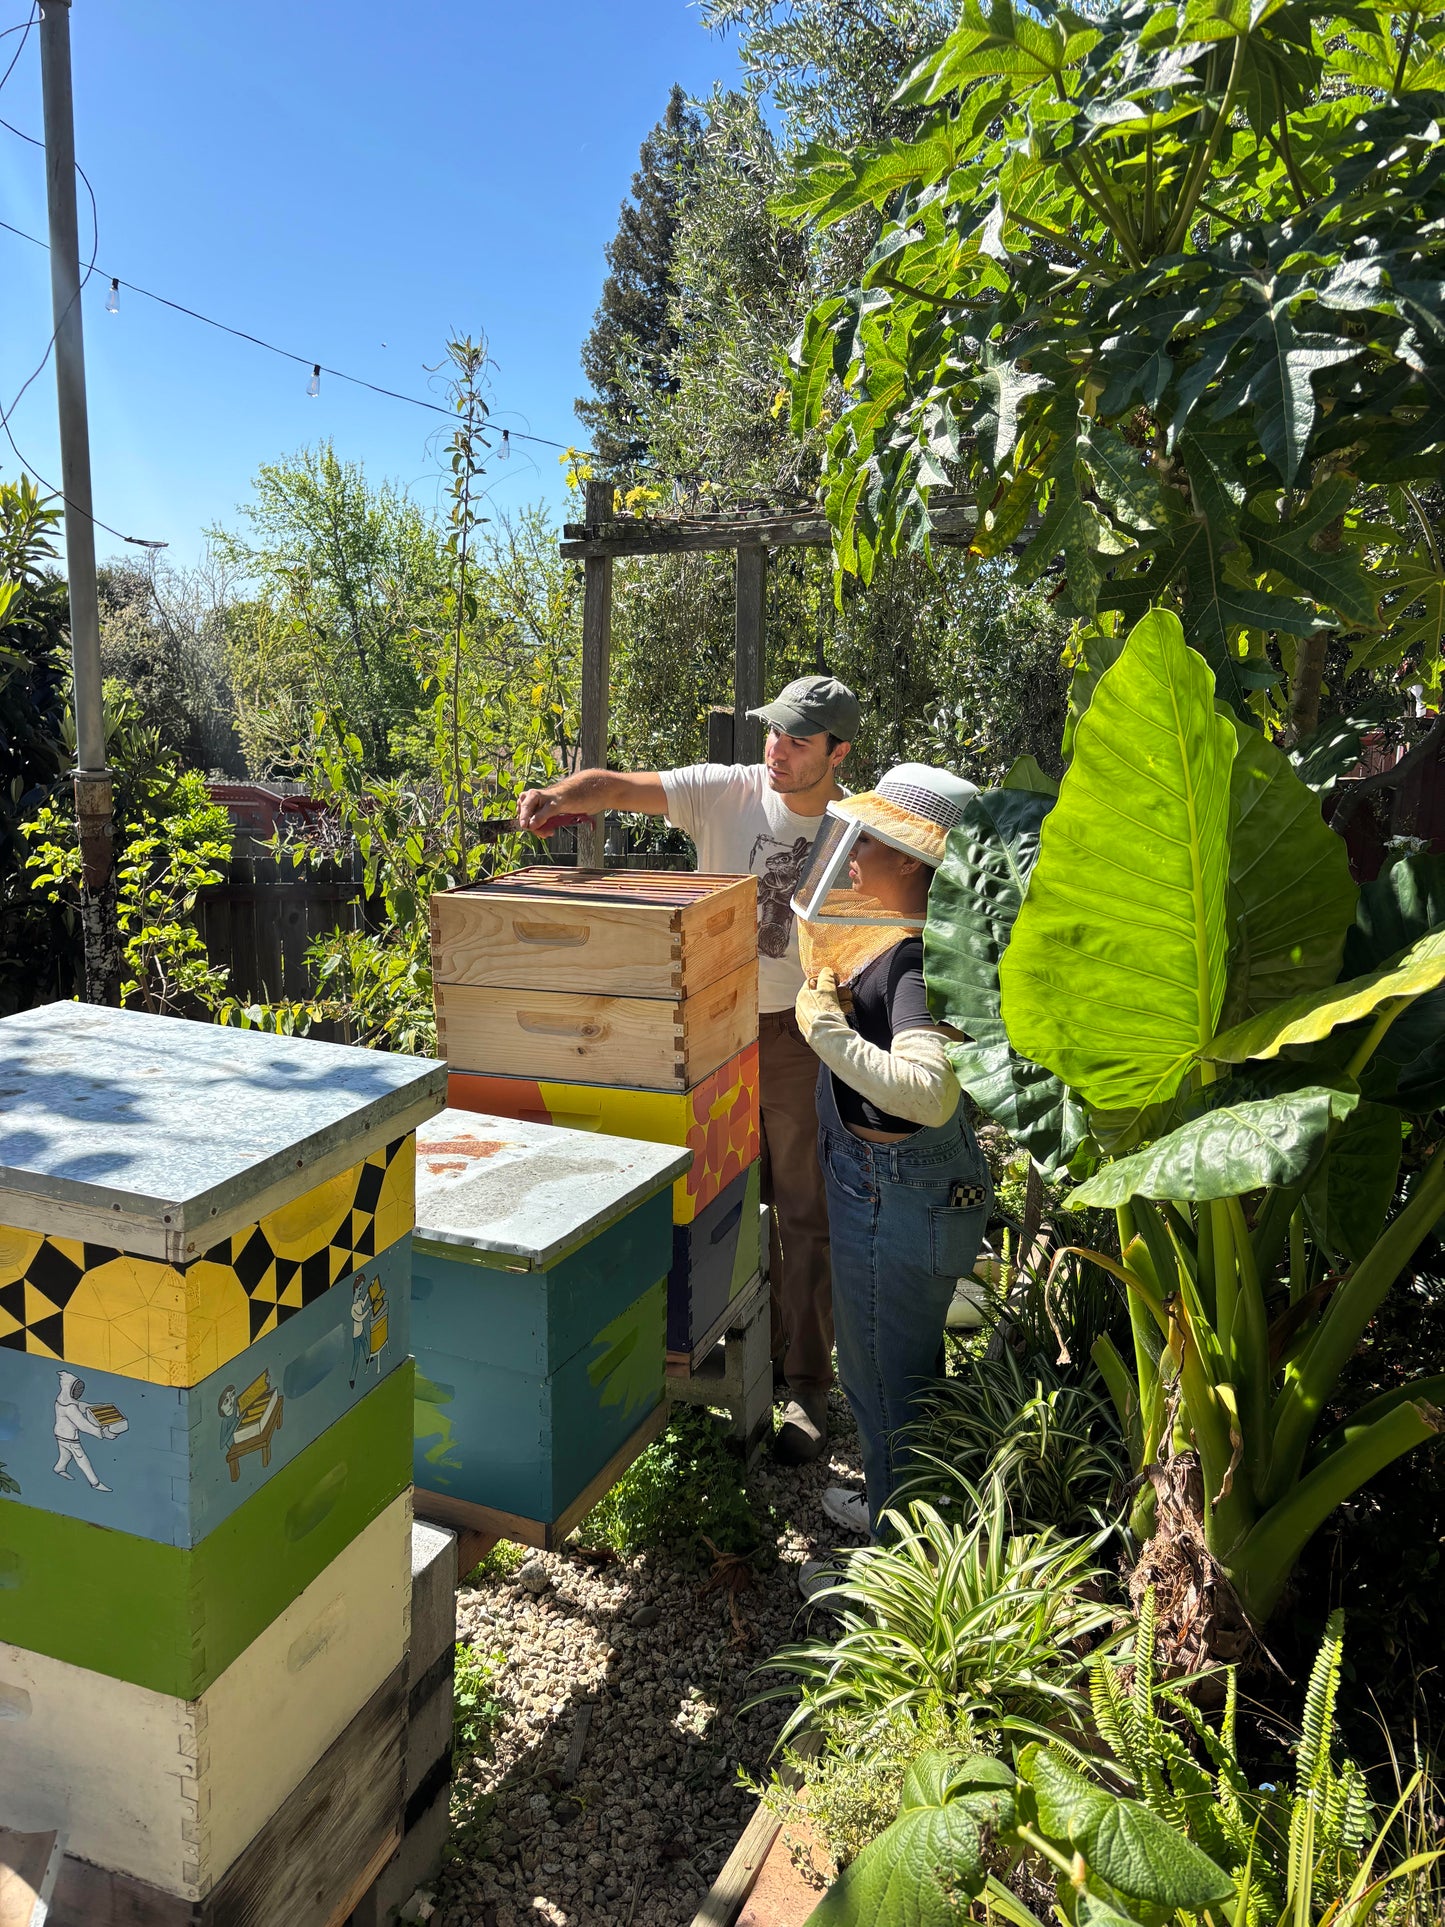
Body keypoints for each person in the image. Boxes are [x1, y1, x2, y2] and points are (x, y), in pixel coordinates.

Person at [518, 674, 860, 1462]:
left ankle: (806, 1386)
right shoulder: (723, 790)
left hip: (797, 1033)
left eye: (797, 739)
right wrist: (558, 795)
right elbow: (617, 786)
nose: (776, 748)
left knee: (804, 1213)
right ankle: (706, 1357)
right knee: (709, 1194)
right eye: (772, 731)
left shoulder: (852, 829)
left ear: (837, 751)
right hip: (705, 1023)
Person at [789, 763, 991, 1581]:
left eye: (870, 839)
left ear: (912, 858)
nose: (854, 854)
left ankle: (895, 1571)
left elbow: (929, 1091)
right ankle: (892, 1502)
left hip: (894, 1197)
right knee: (893, 1366)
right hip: (909, 1195)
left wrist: (825, 1031)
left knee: (883, 1377)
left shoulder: (911, 958)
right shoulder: (914, 939)